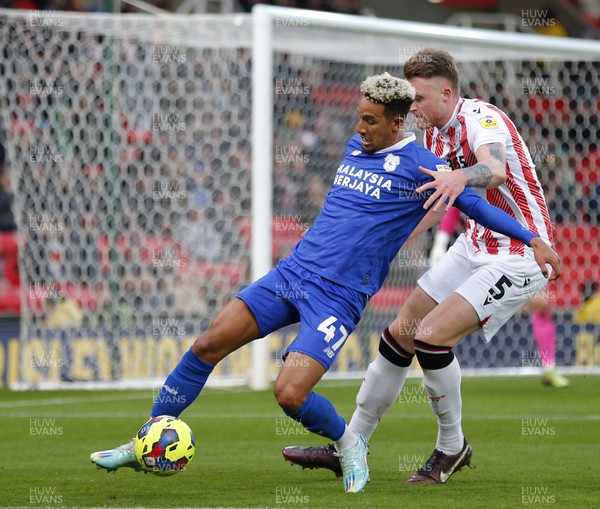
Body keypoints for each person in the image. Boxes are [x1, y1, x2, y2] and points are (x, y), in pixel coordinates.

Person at [90, 72, 560, 494]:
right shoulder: (359, 146)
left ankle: (349, 443)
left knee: (289, 394)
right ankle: (145, 437)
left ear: (397, 124)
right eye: (359, 118)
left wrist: (532, 238)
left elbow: (477, 207)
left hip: (338, 297)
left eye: (370, 121)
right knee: (208, 344)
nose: (359, 128)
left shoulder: (422, 166)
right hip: (292, 274)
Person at [282, 48, 561, 485]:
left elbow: (494, 169)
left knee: (431, 338)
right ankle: (351, 443)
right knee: (399, 336)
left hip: (521, 252)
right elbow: (433, 203)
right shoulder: (430, 137)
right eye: (409, 99)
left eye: (420, 99)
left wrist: (461, 176)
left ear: (447, 93)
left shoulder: (480, 118)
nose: (412, 108)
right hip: (475, 245)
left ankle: (452, 447)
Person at [430, 208, 569, 388]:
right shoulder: (475, 185)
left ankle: (548, 368)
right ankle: (433, 367)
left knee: (539, 304)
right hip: (479, 251)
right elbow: (456, 207)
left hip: (516, 252)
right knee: (448, 310)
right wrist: (439, 244)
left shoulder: (515, 187)